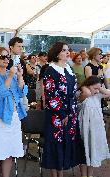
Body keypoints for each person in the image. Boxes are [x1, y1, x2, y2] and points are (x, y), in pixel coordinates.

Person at [0, 47, 27, 177]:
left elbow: (21, 93)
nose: (6, 59)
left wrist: (19, 76)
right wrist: (11, 76)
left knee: (9, 152)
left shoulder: (10, 73)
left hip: (13, 117)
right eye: (3, 57)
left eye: (8, 57)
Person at [42, 42, 85, 177]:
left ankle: (61, 173)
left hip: (70, 112)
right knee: (56, 144)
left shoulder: (68, 68)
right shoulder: (50, 69)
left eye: (68, 50)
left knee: (67, 143)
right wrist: (62, 113)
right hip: (57, 115)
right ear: (57, 53)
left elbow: (72, 91)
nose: (67, 53)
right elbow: (51, 95)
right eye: (64, 50)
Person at [77, 76, 110, 177]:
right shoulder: (82, 95)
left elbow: (109, 93)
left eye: (98, 89)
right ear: (87, 86)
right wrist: (85, 88)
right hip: (84, 128)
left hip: (96, 128)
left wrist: (98, 87)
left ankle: (90, 174)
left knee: (93, 150)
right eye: (94, 88)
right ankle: (83, 174)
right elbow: (84, 95)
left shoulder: (97, 95)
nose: (96, 91)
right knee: (84, 150)